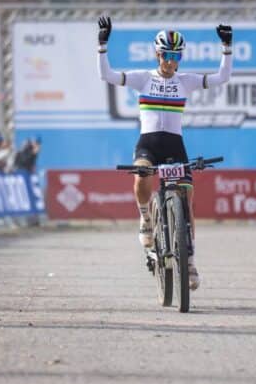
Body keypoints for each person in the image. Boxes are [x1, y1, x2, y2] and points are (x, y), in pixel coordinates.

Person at [96, 15, 233, 290]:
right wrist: (102, 46)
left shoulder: (186, 81)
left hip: (174, 146)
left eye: (175, 56)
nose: (170, 62)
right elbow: (108, 75)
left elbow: (222, 77)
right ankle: (146, 219)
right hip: (148, 144)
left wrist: (227, 48)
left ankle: (190, 260)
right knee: (141, 177)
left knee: (187, 197)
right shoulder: (143, 78)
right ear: (157, 54)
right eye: (166, 55)